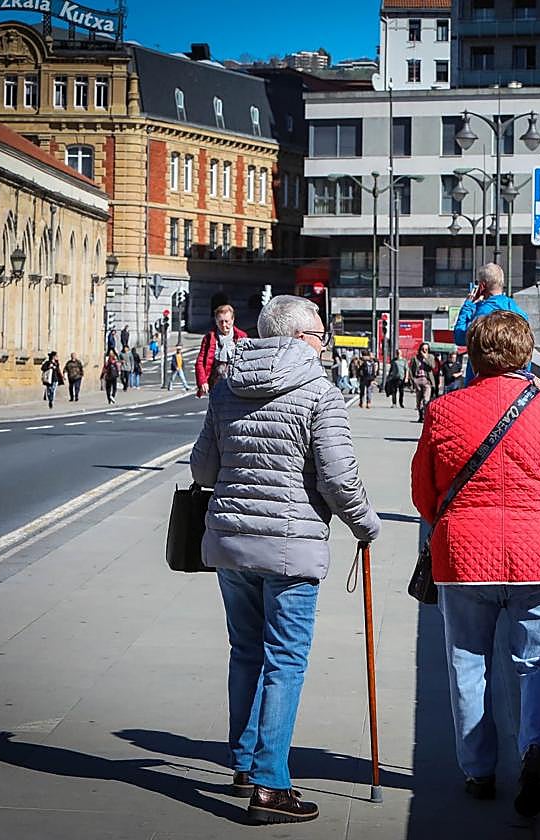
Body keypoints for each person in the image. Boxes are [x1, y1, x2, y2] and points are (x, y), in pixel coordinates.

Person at [410, 311, 540, 818]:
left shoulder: (442, 410)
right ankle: (535, 751)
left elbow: (423, 489)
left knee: (467, 662)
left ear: (473, 356)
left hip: (464, 556)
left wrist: (451, 522)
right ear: (526, 355)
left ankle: (478, 771)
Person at [191, 295, 380, 825]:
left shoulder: (226, 385)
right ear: (298, 338)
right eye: (319, 333)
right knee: (285, 660)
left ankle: (245, 762)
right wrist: (365, 524)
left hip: (230, 541)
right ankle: (272, 784)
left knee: (245, 651)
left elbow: (202, 468)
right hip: (291, 546)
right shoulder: (321, 392)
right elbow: (339, 479)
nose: (325, 342)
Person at [453, 263, 529, 385]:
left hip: (483, 383)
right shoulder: (520, 313)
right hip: (516, 382)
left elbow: (460, 337)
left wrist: (468, 306)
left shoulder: (482, 314)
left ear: (482, 286)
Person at [196, 303, 249, 398]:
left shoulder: (242, 337)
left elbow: (247, 361)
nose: (224, 325)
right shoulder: (209, 338)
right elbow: (200, 362)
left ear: (232, 320)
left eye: (227, 321)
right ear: (216, 321)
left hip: (236, 385)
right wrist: (203, 381)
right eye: (220, 322)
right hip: (216, 385)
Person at [409, 342, 440, 422]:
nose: (424, 351)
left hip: (427, 380)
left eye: (426, 349)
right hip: (418, 380)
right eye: (423, 349)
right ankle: (420, 416)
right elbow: (411, 370)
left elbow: (432, 366)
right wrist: (413, 380)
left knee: (426, 400)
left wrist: (425, 358)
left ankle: (424, 416)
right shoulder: (415, 358)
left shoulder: (430, 357)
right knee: (419, 400)